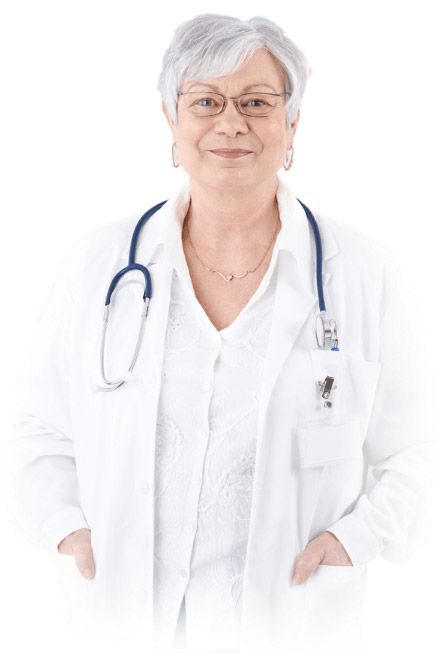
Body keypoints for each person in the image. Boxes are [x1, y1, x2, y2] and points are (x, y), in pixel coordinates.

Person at [7, 12, 438, 654]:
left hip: (292, 625)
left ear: (292, 125)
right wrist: (66, 528)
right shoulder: (99, 268)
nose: (230, 122)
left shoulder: (365, 277)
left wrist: (358, 540)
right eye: (205, 101)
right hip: (120, 623)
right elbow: (35, 430)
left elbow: (420, 452)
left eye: (257, 103)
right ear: (170, 121)